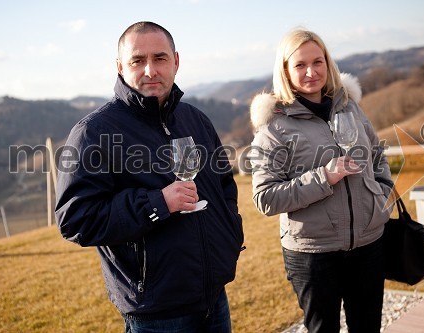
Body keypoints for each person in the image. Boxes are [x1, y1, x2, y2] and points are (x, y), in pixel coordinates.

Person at [55, 21, 244, 333]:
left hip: (214, 297)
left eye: (160, 58)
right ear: (120, 67)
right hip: (156, 313)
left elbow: (224, 186)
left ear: (176, 61)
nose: (150, 71)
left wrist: (231, 234)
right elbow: (75, 219)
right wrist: (157, 203)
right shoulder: (94, 132)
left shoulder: (194, 119)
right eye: (137, 61)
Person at [249, 28, 394, 333]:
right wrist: (324, 176)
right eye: (300, 65)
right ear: (285, 71)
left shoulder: (350, 107)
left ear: (328, 64)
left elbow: (378, 156)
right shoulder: (273, 127)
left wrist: (381, 198)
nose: (311, 72)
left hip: (369, 244)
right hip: (313, 255)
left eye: (318, 61)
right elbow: (265, 198)